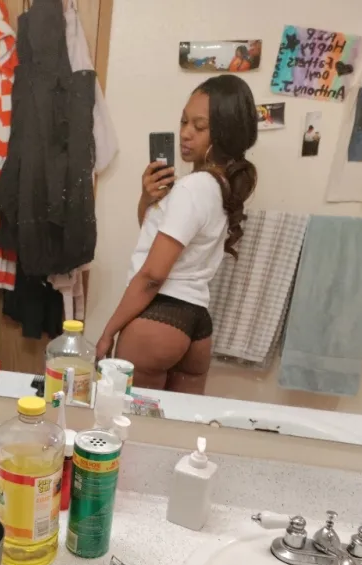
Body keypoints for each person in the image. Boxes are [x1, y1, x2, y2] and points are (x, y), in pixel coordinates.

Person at [96, 75, 258, 394]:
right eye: (184, 121)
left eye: (199, 127)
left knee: (132, 420)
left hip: (158, 320)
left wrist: (108, 331)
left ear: (224, 133)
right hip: (197, 325)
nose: (185, 133)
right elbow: (156, 239)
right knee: (179, 424)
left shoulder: (192, 188)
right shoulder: (220, 187)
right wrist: (148, 199)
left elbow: (153, 275)